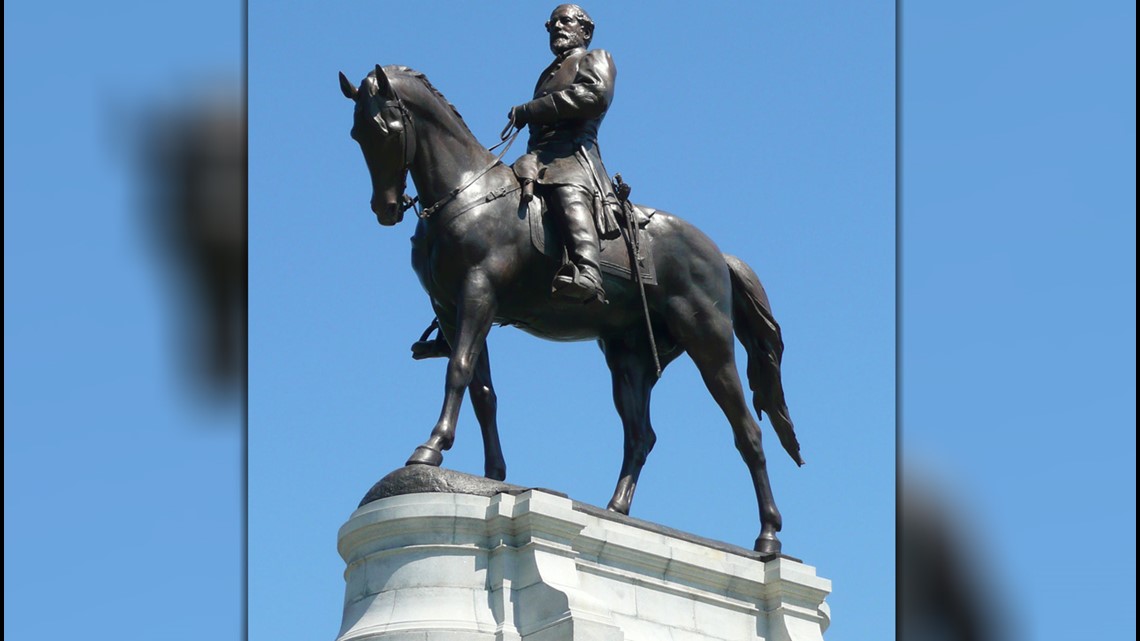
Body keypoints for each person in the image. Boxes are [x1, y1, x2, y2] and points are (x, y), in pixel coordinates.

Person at [509, 4, 620, 304]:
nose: (557, 27)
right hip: (537, 159)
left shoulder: (595, 58)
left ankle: (589, 272)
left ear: (586, 31)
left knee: (566, 191)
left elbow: (593, 97)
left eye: (565, 21)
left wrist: (531, 110)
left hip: (573, 157)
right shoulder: (547, 75)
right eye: (552, 23)